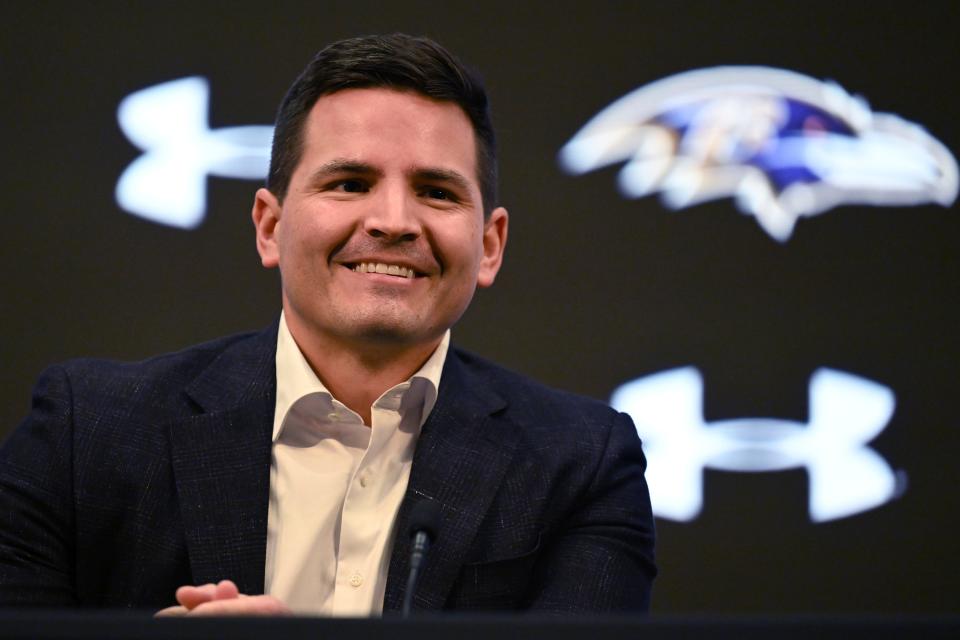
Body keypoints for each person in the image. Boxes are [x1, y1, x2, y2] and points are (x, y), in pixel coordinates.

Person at [0, 34, 656, 615]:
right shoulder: (84, 433)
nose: (394, 220)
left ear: (490, 245)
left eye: (436, 191)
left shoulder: (583, 465)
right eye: (348, 183)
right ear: (270, 226)